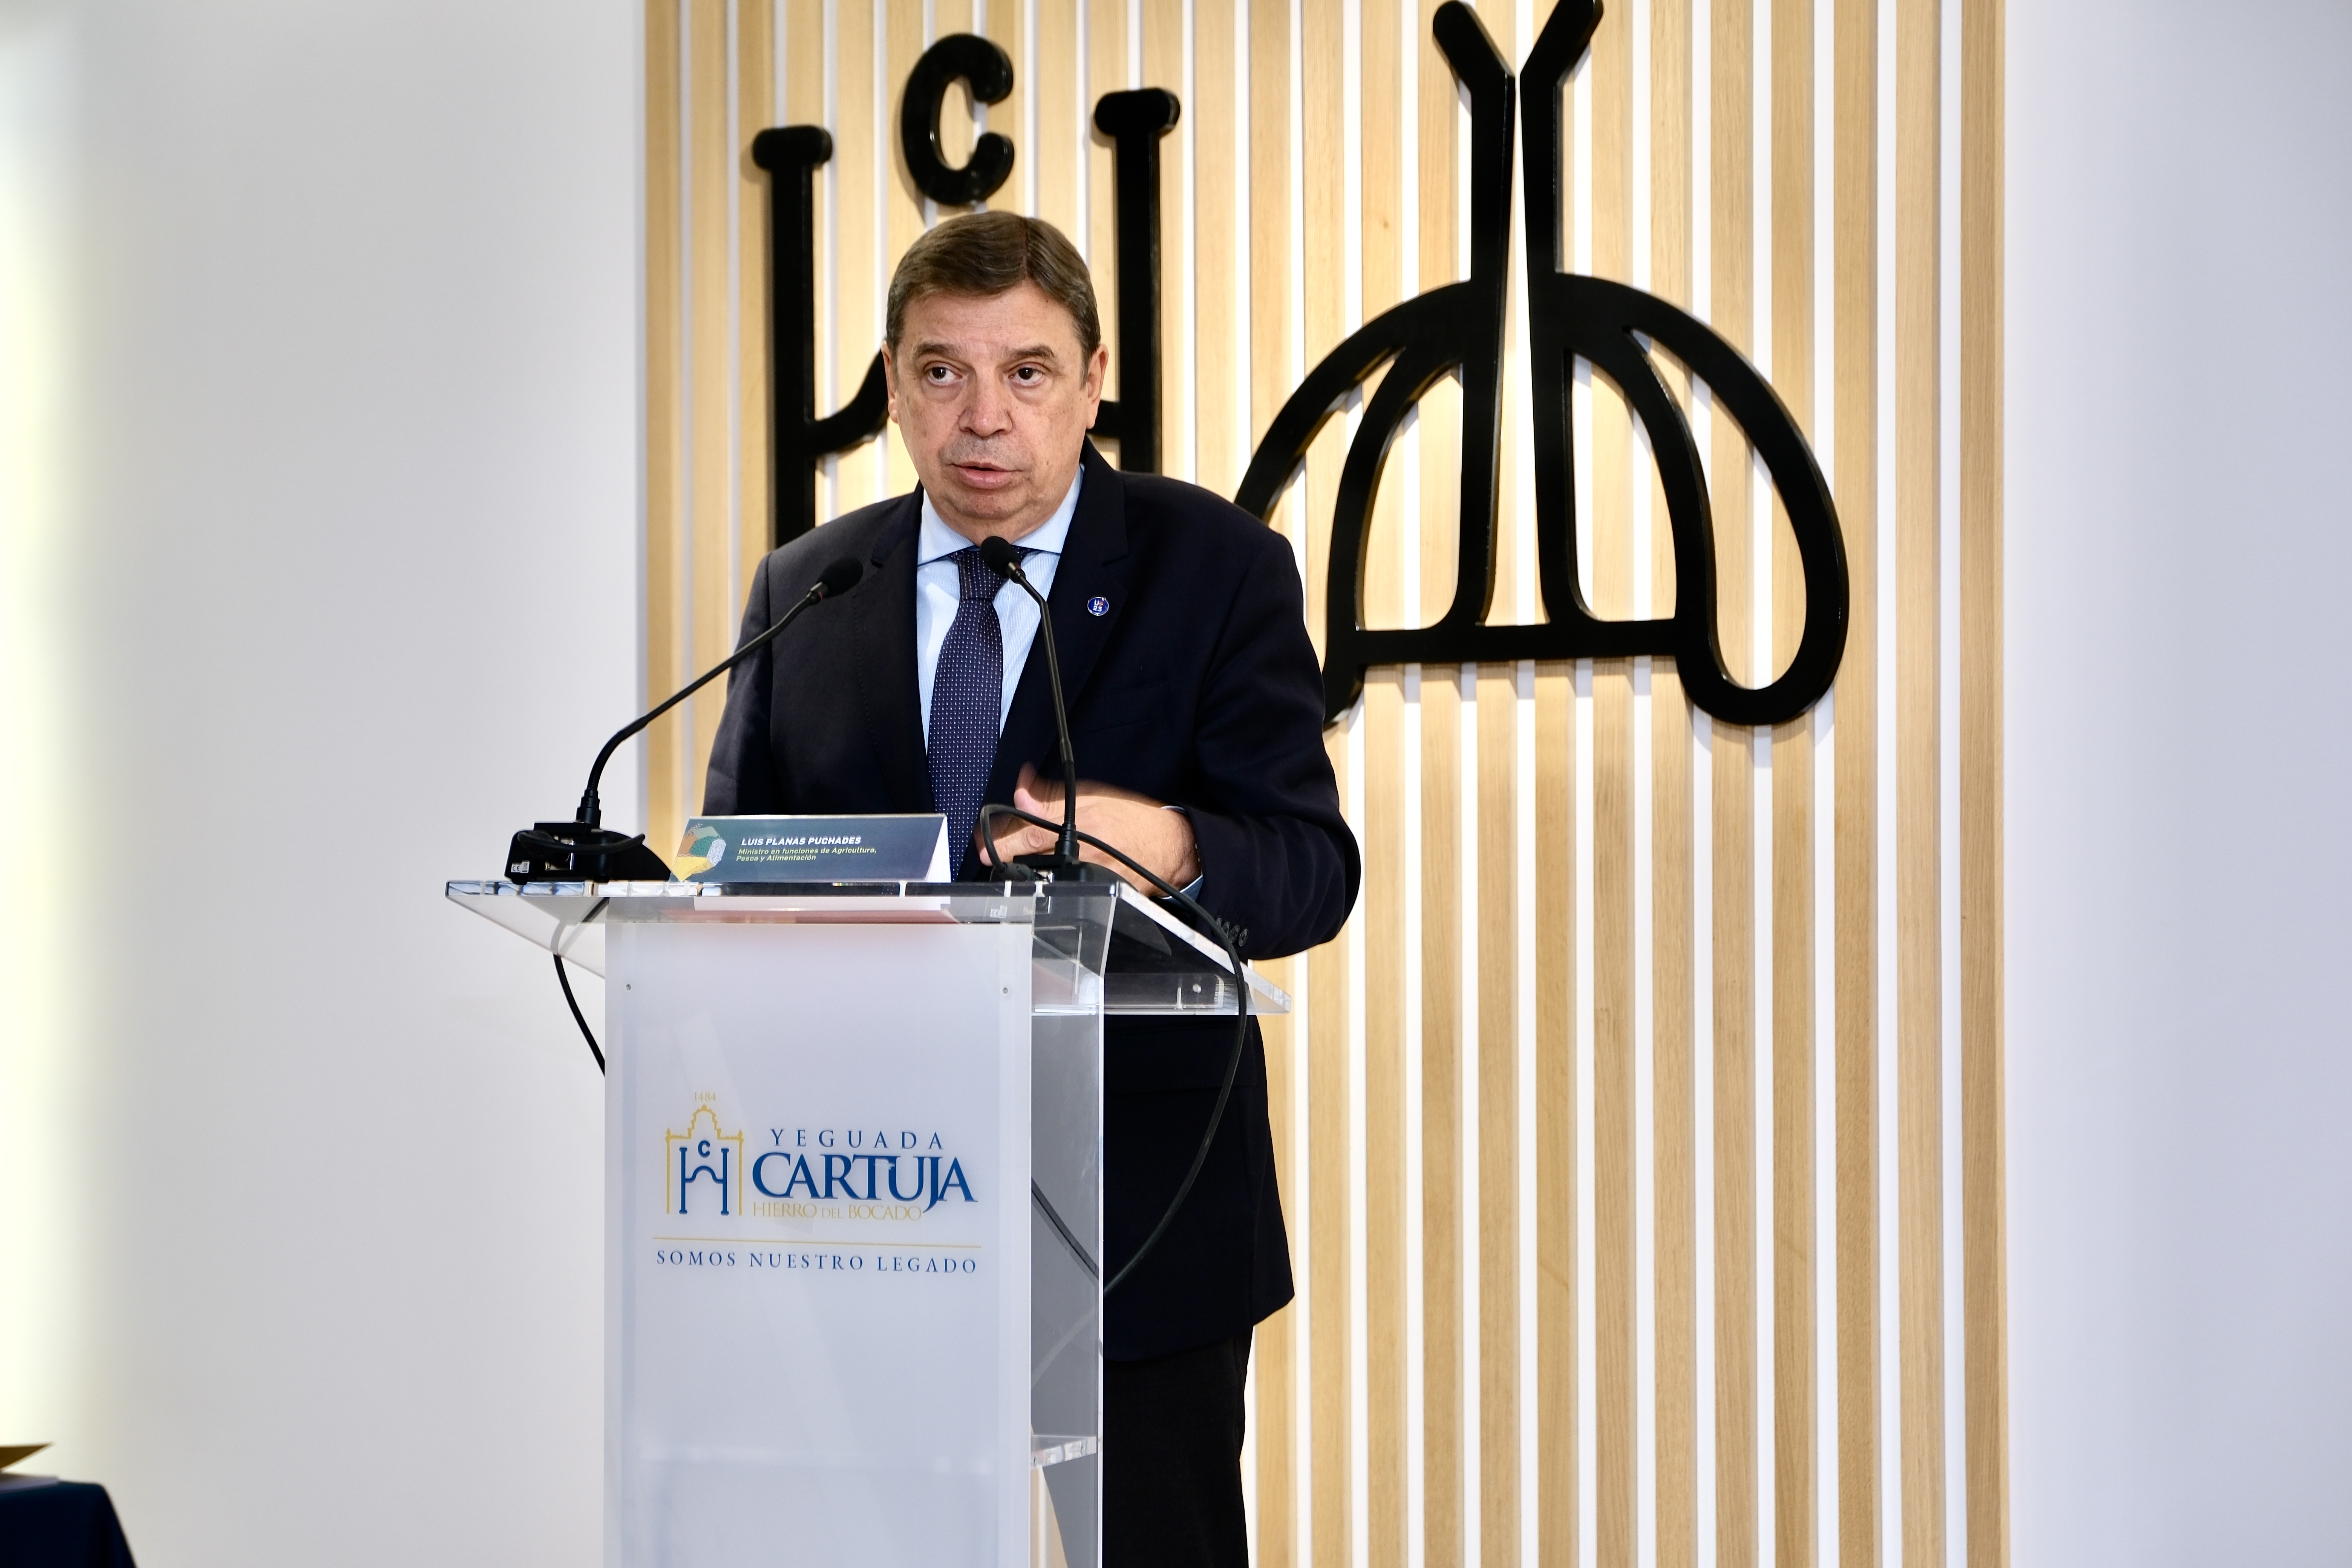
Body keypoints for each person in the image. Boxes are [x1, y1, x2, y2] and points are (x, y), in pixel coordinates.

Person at [703, 209, 1358, 1566]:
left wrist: (1172, 846)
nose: (983, 416)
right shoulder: (810, 588)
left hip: (1133, 1215)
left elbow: (1312, 867)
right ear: (894, 386)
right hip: (865, 1202)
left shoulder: (1215, 569)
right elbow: (732, 880)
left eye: (1028, 372)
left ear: (1094, 379)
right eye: (942, 371)